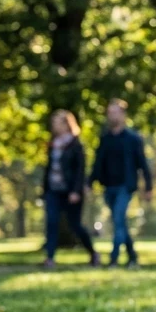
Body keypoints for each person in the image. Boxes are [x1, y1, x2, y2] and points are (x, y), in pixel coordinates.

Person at [88, 99, 153, 268]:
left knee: (118, 219)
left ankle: (113, 259)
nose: (112, 116)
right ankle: (132, 257)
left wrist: (148, 187)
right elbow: (97, 163)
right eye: (110, 113)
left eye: (115, 112)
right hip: (108, 186)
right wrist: (89, 183)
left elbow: (143, 164)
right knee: (120, 223)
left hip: (125, 186)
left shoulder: (133, 139)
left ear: (123, 115)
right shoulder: (105, 138)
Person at [41, 110, 100, 268]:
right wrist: (45, 190)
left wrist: (76, 191)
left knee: (75, 225)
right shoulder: (53, 143)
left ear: (66, 124)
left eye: (56, 123)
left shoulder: (75, 144)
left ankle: (93, 253)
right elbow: (48, 168)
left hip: (70, 191)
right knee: (51, 222)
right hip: (53, 190)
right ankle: (50, 258)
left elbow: (80, 170)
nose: (54, 126)